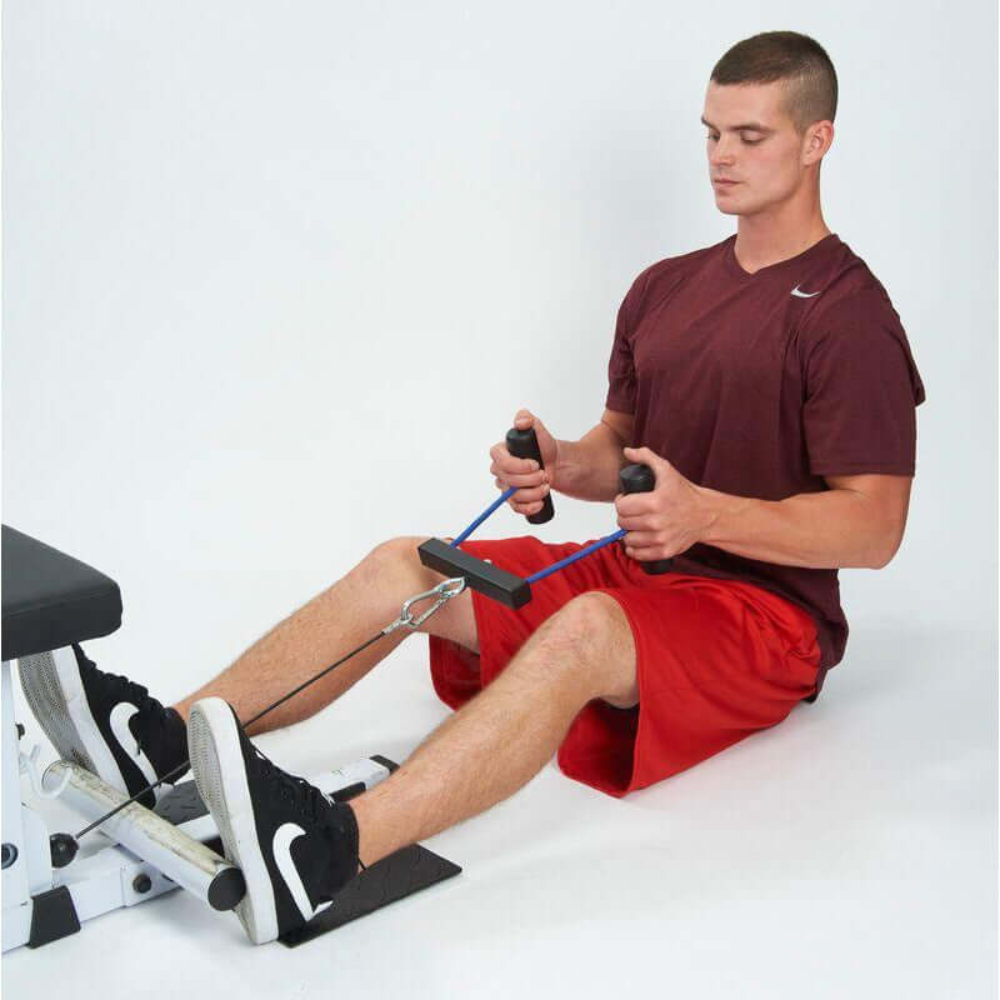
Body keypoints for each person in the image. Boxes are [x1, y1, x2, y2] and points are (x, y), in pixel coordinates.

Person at [21, 30, 926, 945]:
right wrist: (562, 463)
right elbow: (624, 447)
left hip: (765, 620)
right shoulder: (668, 286)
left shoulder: (849, 315)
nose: (721, 158)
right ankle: (159, 741)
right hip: (639, 571)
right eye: (709, 134)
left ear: (818, 140)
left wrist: (705, 514)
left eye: (749, 136)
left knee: (581, 633)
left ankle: (326, 854)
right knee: (406, 565)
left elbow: (875, 527)